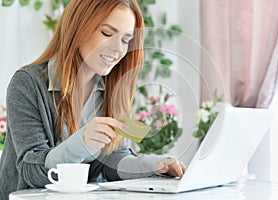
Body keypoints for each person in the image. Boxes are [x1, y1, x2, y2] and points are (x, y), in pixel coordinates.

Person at [0, 0, 187, 199]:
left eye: (125, 40)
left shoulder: (110, 89)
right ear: (79, 26)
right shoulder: (27, 84)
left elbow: (113, 159)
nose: (117, 49)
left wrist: (154, 165)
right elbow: (31, 171)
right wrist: (80, 143)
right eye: (107, 33)